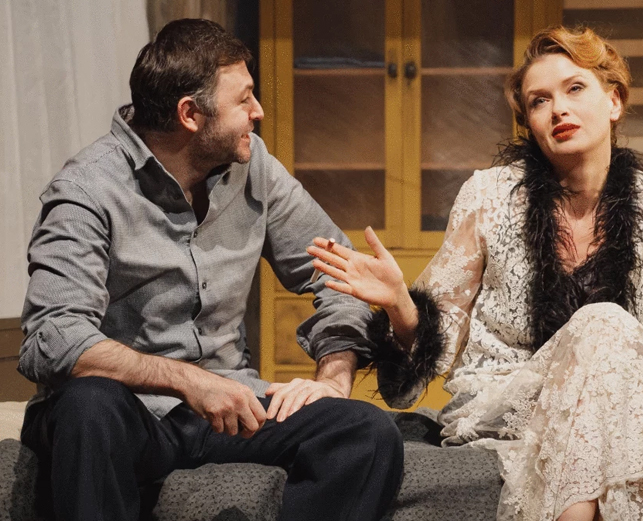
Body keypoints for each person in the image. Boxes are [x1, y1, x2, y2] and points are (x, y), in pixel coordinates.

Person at [306, 26, 643, 521]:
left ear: (614, 101)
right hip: (507, 401)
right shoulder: (488, 196)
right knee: (606, 322)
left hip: (609, 399)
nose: (558, 110)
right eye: (539, 100)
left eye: (574, 88)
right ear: (530, 123)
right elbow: (440, 333)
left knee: (606, 331)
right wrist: (400, 304)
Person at [18, 18, 403, 521]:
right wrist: (189, 382)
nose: (258, 111)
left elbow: (341, 277)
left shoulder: (254, 167)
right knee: (88, 406)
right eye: (244, 99)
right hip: (128, 413)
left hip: (231, 403)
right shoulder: (87, 190)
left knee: (366, 433)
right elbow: (53, 337)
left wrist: (332, 378)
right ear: (190, 114)